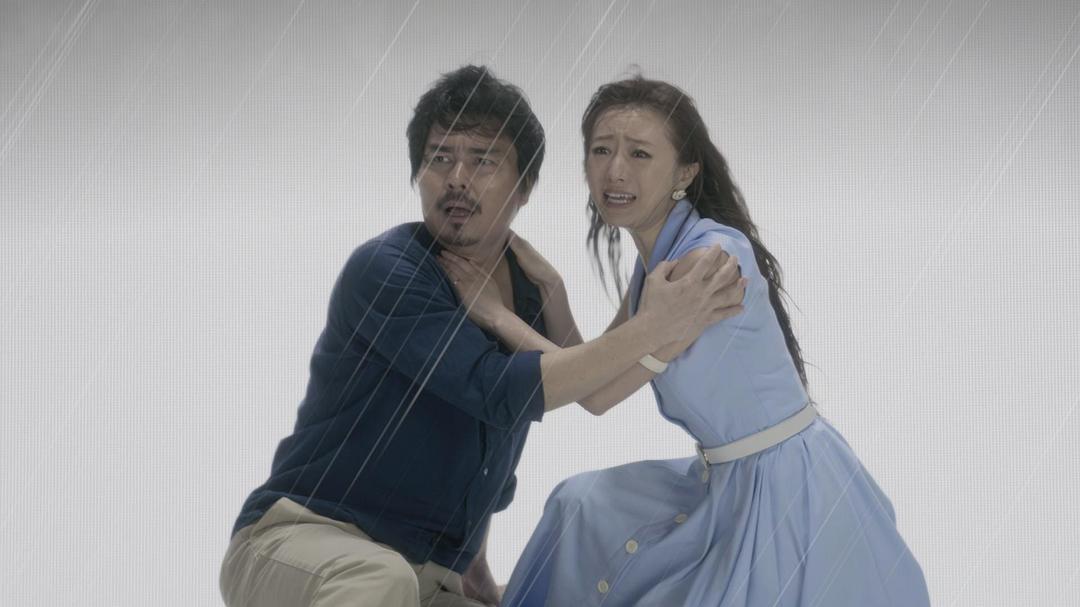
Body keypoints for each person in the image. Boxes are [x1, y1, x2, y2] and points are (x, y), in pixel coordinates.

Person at [218, 66, 746, 607]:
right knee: (379, 580)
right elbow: (495, 388)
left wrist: (475, 567)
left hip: (421, 575)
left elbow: (511, 437)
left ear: (526, 186)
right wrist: (657, 325)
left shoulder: (524, 293)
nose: (457, 178)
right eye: (439, 158)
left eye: (483, 161)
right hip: (301, 541)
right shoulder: (389, 271)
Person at [441, 76, 931, 606]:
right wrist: (553, 292)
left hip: (785, 484)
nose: (615, 170)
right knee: (580, 505)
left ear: (685, 172)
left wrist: (495, 315)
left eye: (640, 153)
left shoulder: (707, 263)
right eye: (601, 150)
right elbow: (592, 370)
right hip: (725, 478)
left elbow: (597, 394)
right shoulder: (659, 259)